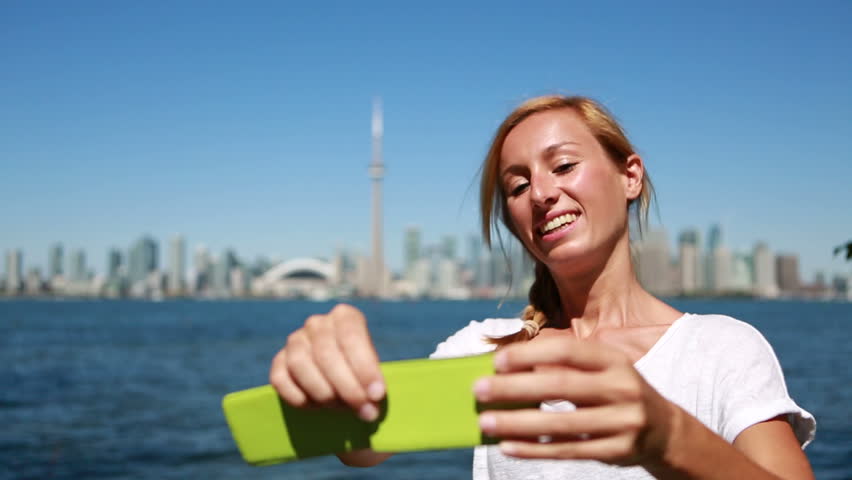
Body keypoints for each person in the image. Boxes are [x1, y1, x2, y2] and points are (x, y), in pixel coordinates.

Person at [269, 95, 816, 479]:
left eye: (564, 165)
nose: (542, 193)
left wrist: (668, 440)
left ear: (631, 175)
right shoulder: (486, 352)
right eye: (519, 184)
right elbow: (361, 448)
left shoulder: (721, 349)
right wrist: (326, 384)